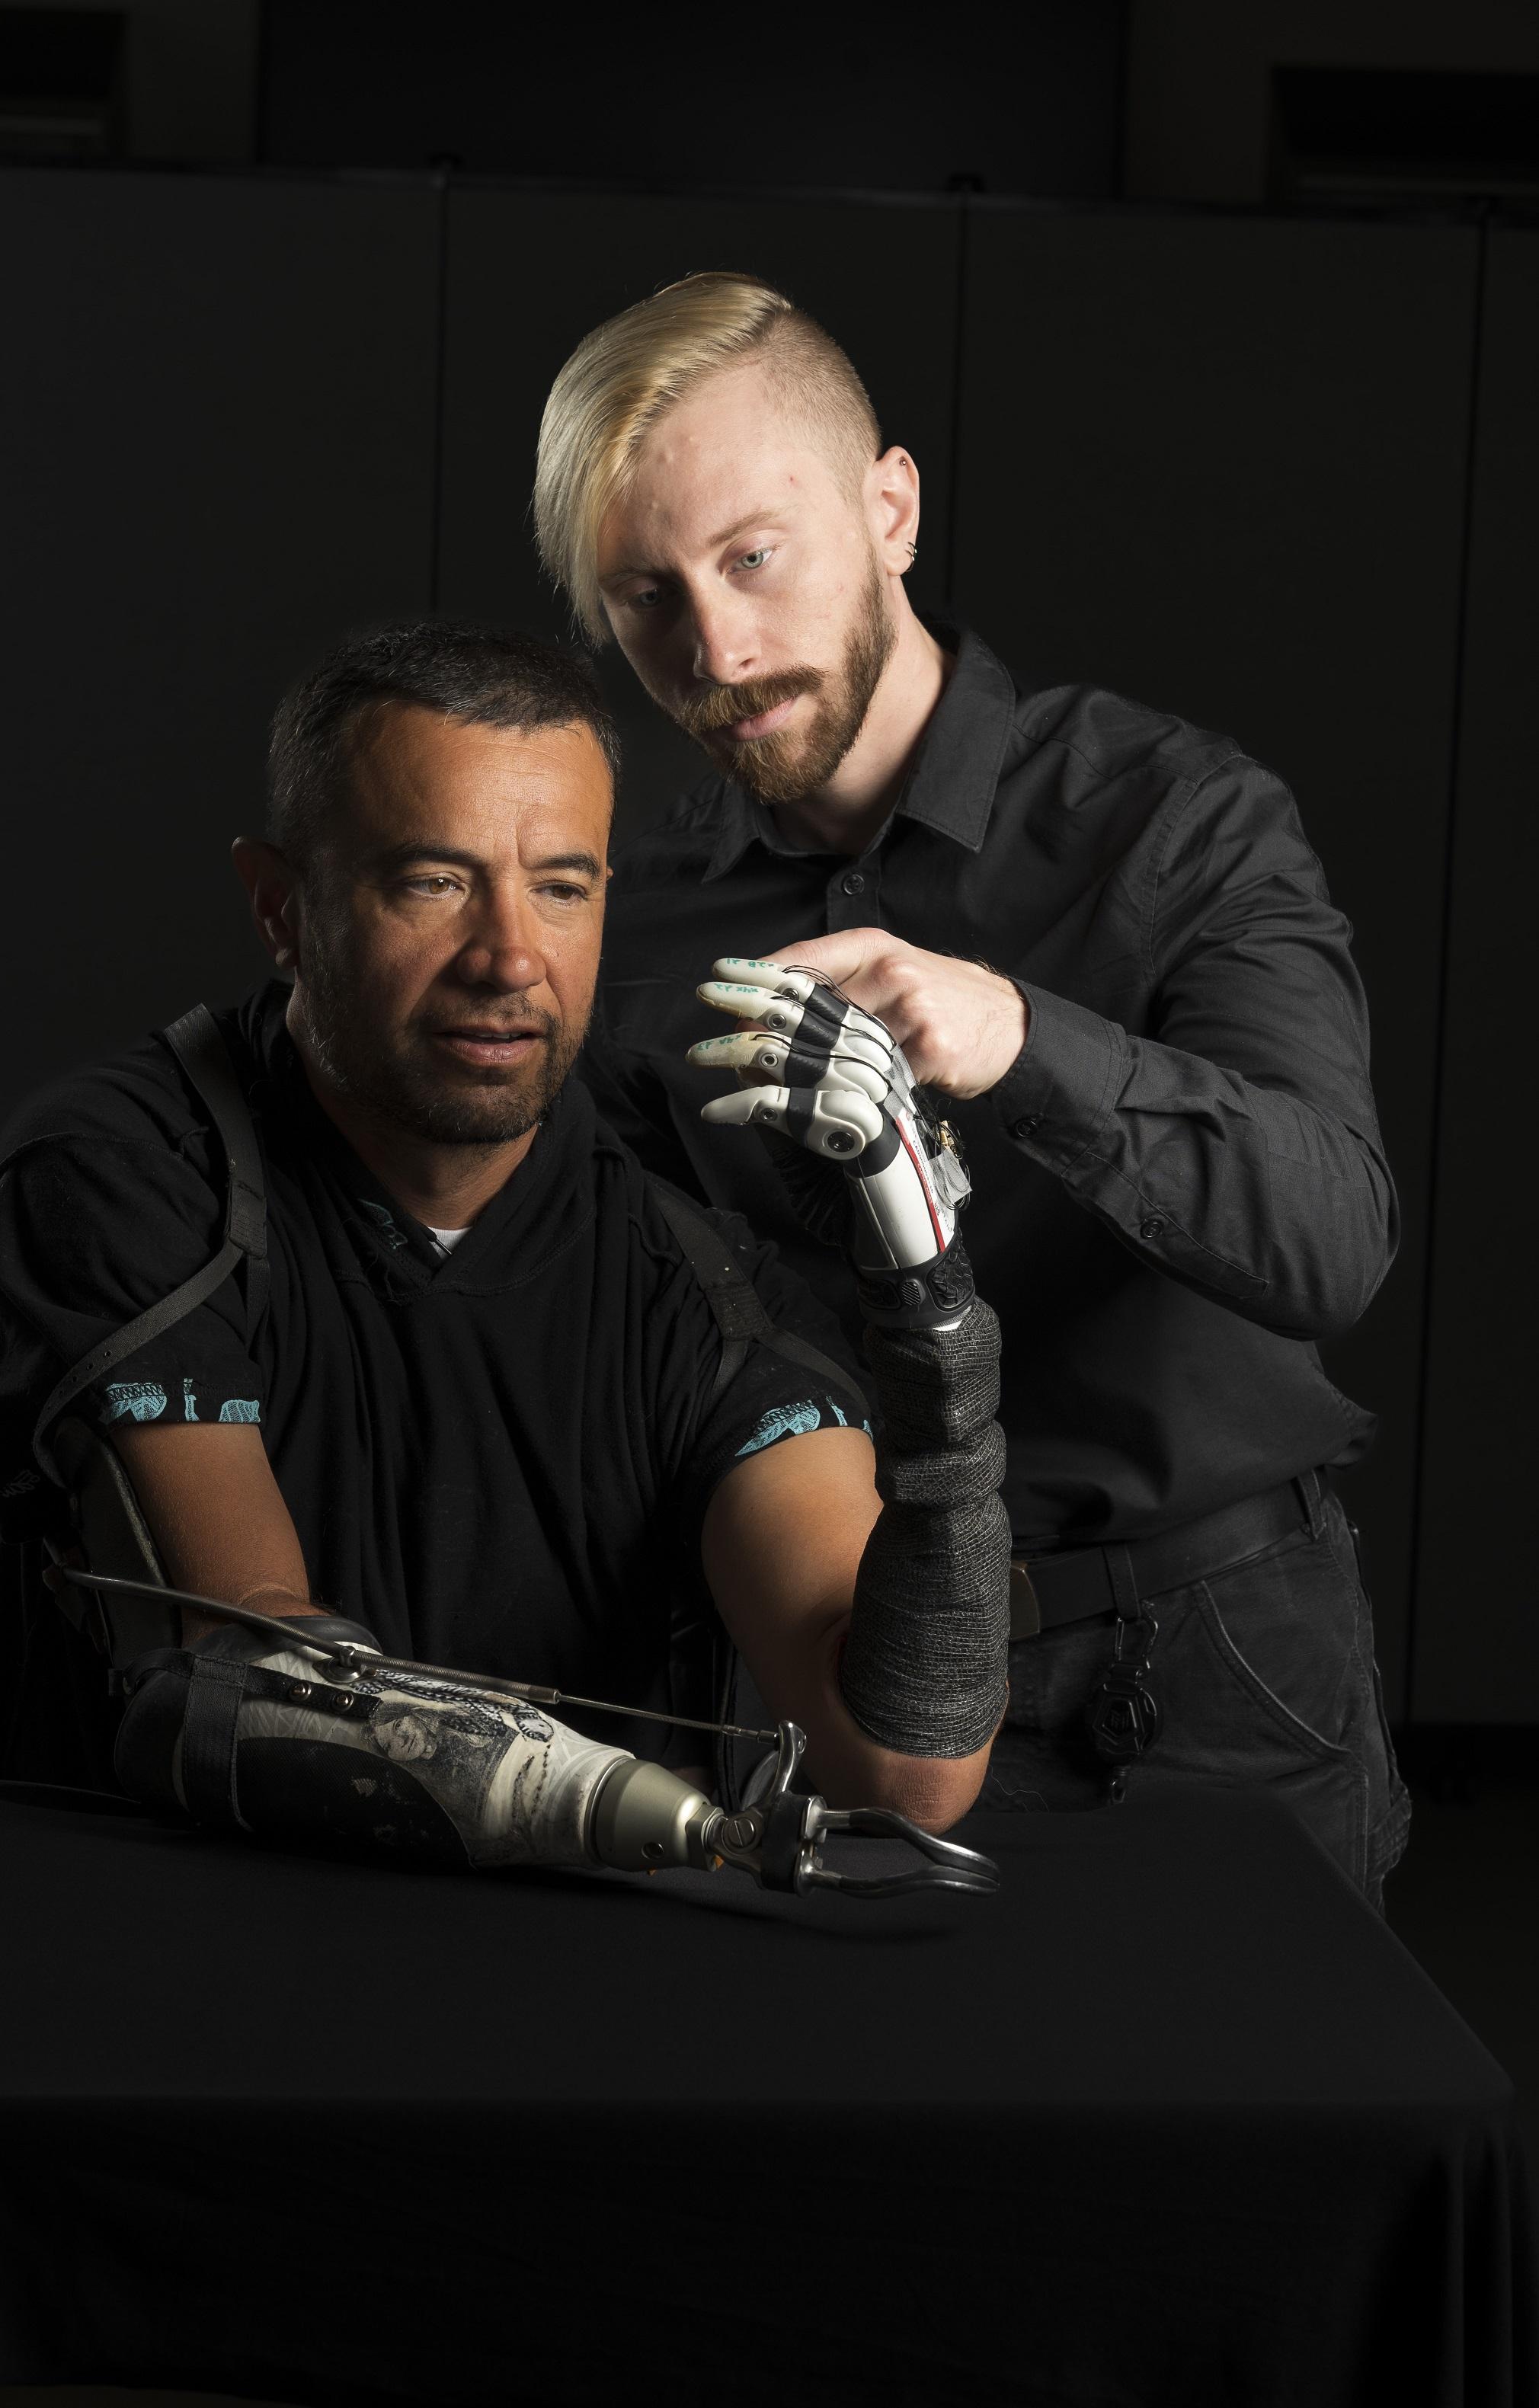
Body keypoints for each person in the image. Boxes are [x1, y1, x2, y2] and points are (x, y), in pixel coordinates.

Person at [535, 271, 1412, 1911]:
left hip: (1216, 1664)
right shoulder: (631, 927)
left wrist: (1019, 1039)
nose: (716, 650)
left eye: (752, 556)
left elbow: (1332, 1243)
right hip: (843, 1682)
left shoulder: (1177, 819)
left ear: (891, 510)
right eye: (647, 597)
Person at [0, 622, 1012, 1879]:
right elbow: (262, 1678)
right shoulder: (129, 1166)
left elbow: (907, 1769)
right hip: (155, 1959)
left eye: (560, 887)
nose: (510, 958)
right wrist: (609, 1797)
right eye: (432, 881)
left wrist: (938, 1324)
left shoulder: (686, 1242)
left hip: (565, 1986)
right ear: (281, 908)